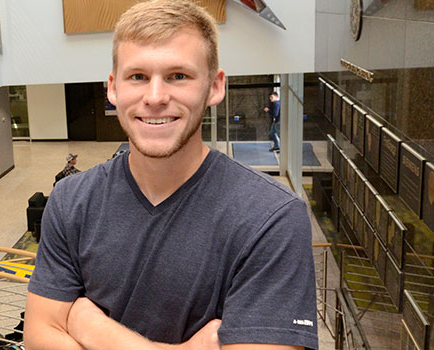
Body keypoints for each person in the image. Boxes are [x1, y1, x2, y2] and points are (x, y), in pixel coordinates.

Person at [24, 1, 318, 350]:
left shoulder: (272, 217)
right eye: (138, 77)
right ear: (113, 89)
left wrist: (91, 327)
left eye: (178, 76)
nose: (155, 97)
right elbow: (41, 337)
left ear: (214, 87)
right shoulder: (72, 201)